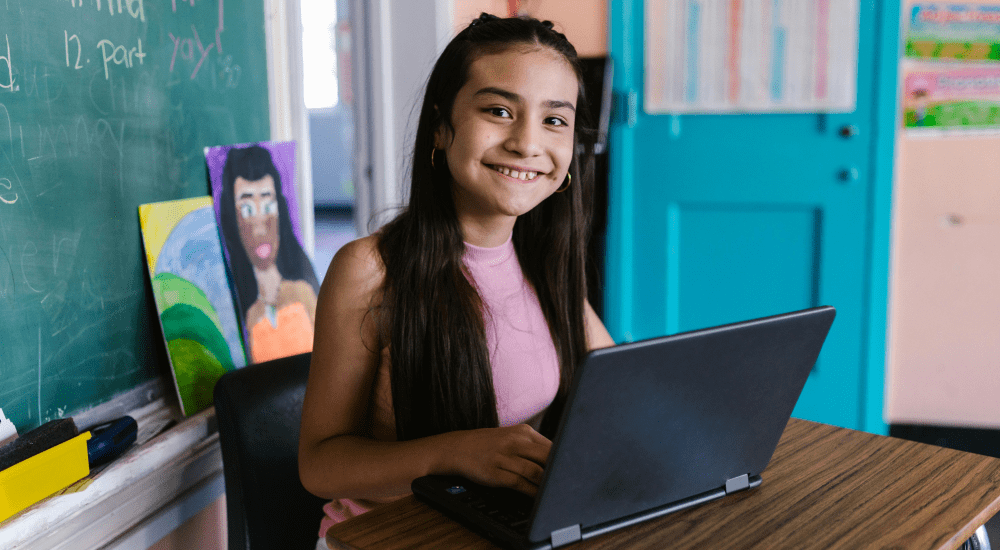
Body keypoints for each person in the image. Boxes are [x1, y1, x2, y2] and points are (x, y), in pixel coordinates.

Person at [298, 13, 615, 545]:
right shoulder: (371, 270)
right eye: (498, 110)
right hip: (386, 537)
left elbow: (619, 388)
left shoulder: (545, 261)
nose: (526, 142)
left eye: (554, 120)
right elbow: (320, 464)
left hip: (491, 529)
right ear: (442, 129)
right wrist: (454, 453)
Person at [218, 144, 320, 364]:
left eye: (267, 206)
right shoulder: (245, 314)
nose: (259, 226)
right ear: (232, 219)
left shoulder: (303, 293)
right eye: (246, 210)